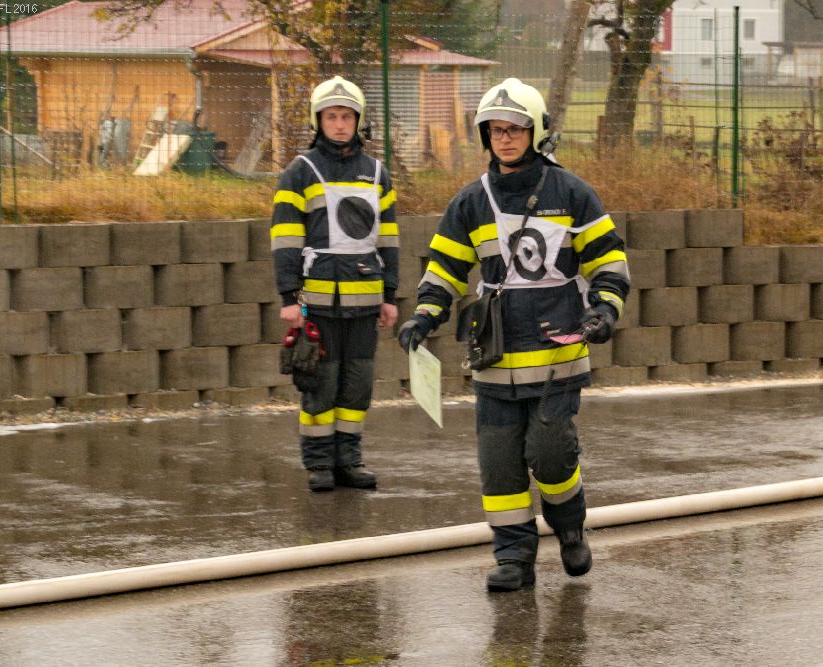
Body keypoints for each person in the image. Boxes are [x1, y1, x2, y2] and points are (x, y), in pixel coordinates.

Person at [397, 78, 630, 591]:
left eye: (515, 129)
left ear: (537, 132)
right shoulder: (470, 202)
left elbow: (608, 261)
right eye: (496, 130)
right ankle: (514, 559)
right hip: (495, 358)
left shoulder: (572, 193)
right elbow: (445, 269)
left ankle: (569, 526)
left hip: (556, 355)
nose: (504, 139)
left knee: (550, 453)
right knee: (499, 464)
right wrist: (424, 316)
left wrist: (604, 310)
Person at [270, 75, 398, 492]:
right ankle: (320, 463)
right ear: (318, 121)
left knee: (357, 384)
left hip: (365, 301)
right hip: (317, 301)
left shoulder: (377, 173)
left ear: (358, 121)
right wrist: (289, 297)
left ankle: (350, 460)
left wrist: (390, 296)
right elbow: (285, 239)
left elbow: (388, 239)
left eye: (346, 117)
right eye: (331, 117)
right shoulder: (300, 172)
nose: (340, 125)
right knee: (320, 382)